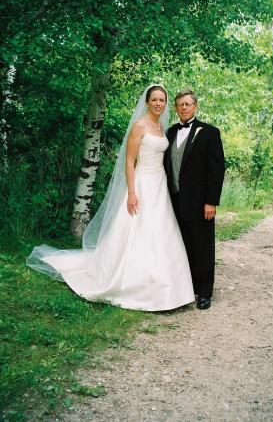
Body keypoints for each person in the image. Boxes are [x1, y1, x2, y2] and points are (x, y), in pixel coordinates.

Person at [27, 85, 194, 311]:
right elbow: (129, 161)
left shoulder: (161, 126)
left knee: (162, 231)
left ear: (166, 104)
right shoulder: (139, 126)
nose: (158, 103)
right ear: (146, 102)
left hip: (159, 186)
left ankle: (168, 287)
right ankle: (134, 284)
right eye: (154, 99)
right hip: (142, 184)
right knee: (139, 230)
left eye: (162, 100)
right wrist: (133, 192)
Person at [164, 89, 225, 310]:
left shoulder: (210, 133)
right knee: (182, 246)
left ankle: (205, 292)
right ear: (176, 108)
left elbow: (216, 170)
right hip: (174, 201)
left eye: (187, 104)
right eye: (180, 104)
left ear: (195, 106)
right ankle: (188, 289)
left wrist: (211, 202)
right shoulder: (170, 133)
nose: (183, 108)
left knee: (203, 247)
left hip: (201, 203)